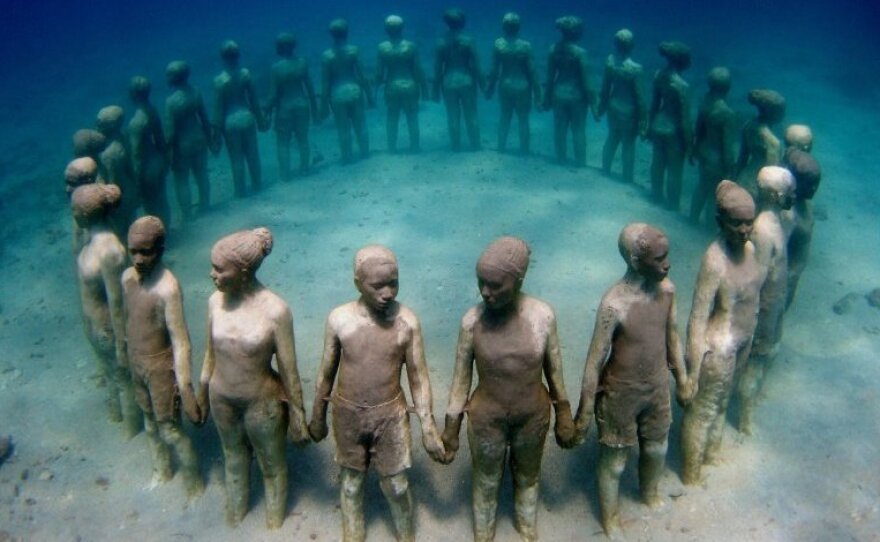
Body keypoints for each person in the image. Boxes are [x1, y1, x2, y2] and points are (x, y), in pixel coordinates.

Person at [441, 237, 576, 542]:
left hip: (533, 415)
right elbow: (460, 381)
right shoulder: (471, 322)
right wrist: (451, 429)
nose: (486, 292)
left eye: (495, 285)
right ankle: (484, 535)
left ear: (518, 280)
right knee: (486, 481)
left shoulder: (542, 317)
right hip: (486, 418)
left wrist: (564, 414)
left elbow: (555, 372)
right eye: (481, 283)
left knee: (528, 478)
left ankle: (527, 532)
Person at [309, 245, 444, 542]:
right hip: (347, 413)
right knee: (350, 485)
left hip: (390, 416)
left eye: (393, 283)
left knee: (396, 485)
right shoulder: (339, 319)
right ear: (358, 283)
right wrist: (317, 415)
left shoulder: (407, 322)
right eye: (377, 286)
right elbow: (326, 373)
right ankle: (352, 536)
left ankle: (406, 536)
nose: (387, 293)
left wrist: (428, 426)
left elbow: (418, 378)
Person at [573, 223, 688, 538]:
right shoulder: (614, 303)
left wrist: (683, 377)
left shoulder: (667, 291)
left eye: (667, 256)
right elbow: (595, 358)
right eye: (659, 259)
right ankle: (610, 520)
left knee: (657, 447)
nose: (667, 264)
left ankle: (649, 494)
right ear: (636, 262)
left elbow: (673, 338)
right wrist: (584, 410)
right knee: (615, 460)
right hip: (619, 394)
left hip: (656, 386)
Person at [198, 228, 309, 528]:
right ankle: (235, 518)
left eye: (220, 270)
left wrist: (298, 416)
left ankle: (274, 526)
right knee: (232, 459)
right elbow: (210, 354)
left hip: (263, 402)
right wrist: (200, 393)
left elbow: (289, 369)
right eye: (213, 267)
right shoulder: (214, 303)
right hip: (222, 398)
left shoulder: (276, 311)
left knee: (272, 466)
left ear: (243, 271)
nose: (212, 274)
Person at [680, 181, 766, 485]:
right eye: (736, 223)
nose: (744, 230)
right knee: (703, 411)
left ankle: (712, 457)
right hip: (718, 347)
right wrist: (692, 370)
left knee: (722, 404)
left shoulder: (752, 248)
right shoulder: (714, 260)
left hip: (742, 341)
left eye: (749, 222)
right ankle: (691, 475)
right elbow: (697, 316)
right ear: (720, 222)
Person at [121, 216, 202, 496]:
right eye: (133, 251)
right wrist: (123, 355)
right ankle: (161, 471)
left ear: (161, 249)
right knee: (149, 424)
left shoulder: (168, 287)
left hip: (160, 366)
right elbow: (126, 320)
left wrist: (186, 387)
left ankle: (194, 484)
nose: (139, 258)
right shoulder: (127, 278)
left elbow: (181, 341)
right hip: (137, 361)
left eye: (146, 251)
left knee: (169, 428)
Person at [71, 184, 142, 438]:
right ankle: (117, 416)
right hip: (95, 326)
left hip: (107, 328)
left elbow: (116, 299)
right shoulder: (91, 241)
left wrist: (123, 343)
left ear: (86, 212)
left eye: (75, 208)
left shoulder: (109, 249)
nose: (73, 213)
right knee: (112, 376)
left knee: (123, 379)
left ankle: (131, 430)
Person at [737, 166, 795, 435]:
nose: (793, 195)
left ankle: (751, 403)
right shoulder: (762, 230)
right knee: (757, 358)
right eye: (789, 191)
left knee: (768, 352)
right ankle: (745, 418)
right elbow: (756, 278)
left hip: (776, 303)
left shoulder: (777, 221)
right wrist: (754, 316)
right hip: (766, 307)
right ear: (775, 194)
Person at [213, 40, 267, 197]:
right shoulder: (245, 74)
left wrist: (216, 135)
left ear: (223, 57)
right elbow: (254, 101)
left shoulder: (219, 81)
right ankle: (257, 185)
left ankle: (240, 191)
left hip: (230, 122)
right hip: (247, 118)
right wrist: (260, 119)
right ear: (238, 55)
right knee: (252, 154)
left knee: (236, 158)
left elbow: (218, 110)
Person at [485, 12, 541, 154]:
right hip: (523, 86)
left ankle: (501, 148)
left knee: (504, 117)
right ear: (519, 27)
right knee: (523, 119)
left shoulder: (498, 44)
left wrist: (490, 89)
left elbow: (494, 70)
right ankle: (524, 150)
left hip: (505, 85)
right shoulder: (526, 46)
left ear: (504, 26)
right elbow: (533, 72)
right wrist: (538, 95)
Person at [165, 60, 214, 220]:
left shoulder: (171, 102)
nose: (166, 77)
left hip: (182, 145)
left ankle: (187, 214)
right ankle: (205, 206)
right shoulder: (196, 92)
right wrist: (210, 139)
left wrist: (167, 151)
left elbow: (171, 132)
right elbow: (204, 119)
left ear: (175, 77)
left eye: (169, 74)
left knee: (182, 180)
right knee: (201, 174)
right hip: (199, 139)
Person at [265, 32, 318, 181]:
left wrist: (266, 112)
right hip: (302, 105)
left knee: (283, 142)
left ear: (280, 47)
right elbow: (310, 88)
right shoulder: (302, 63)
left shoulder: (276, 68)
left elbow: (273, 95)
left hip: (284, 109)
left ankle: (285, 174)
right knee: (303, 139)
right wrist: (315, 109)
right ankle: (305, 169)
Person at [647, 41, 693, 211]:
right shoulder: (682, 86)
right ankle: (672, 204)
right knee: (675, 170)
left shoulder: (658, 75)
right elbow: (685, 119)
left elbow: (654, 104)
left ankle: (655, 196)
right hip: (674, 131)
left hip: (658, 124)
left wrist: (649, 126)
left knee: (657, 163)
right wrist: (689, 144)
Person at [320, 19, 374, 164]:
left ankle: (347, 157)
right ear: (347, 32)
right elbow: (363, 76)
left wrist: (323, 105)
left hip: (337, 94)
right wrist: (370, 96)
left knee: (342, 127)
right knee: (360, 124)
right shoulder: (354, 50)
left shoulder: (326, 56)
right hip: (355, 91)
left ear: (331, 35)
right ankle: (365, 153)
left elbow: (325, 83)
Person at [544, 16, 594, 167]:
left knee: (560, 129)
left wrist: (546, 98)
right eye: (579, 29)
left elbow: (550, 78)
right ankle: (580, 162)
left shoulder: (553, 49)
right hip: (577, 96)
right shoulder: (581, 53)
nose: (581, 32)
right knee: (578, 130)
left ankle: (560, 159)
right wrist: (595, 104)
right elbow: (588, 83)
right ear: (574, 32)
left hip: (559, 93)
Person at [597, 29, 646, 182]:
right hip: (629, 111)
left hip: (613, 106)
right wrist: (644, 119)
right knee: (628, 144)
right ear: (632, 46)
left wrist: (601, 108)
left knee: (612, 138)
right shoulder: (636, 69)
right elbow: (640, 97)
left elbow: (605, 89)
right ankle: (627, 178)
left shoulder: (610, 62)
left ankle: (605, 170)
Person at [689, 67, 737, 223]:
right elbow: (727, 145)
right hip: (717, 160)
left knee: (701, 187)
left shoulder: (704, 102)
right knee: (714, 195)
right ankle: (708, 225)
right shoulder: (727, 114)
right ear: (728, 87)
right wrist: (731, 167)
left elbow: (698, 129)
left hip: (704, 152)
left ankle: (692, 218)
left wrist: (694, 148)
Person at [433, 8, 485, 151]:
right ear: (462, 22)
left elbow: (438, 69)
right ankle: (475, 145)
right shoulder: (469, 41)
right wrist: (483, 85)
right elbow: (476, 66)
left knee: (452, 115)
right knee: (471, 114)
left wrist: (435, 90)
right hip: (466, 80)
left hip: (448, 81)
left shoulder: (440, 42)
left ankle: (455, 146)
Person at [375, 15, 428, 153]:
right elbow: (418, 70)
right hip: (410, 85)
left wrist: (374, 89)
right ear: (402, 28)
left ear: (386, 29)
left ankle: (392, 148)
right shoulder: (411, 46)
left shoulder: (382, 48)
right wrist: (424, 88)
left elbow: (379, 74)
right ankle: (415, 147)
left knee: (392, 117)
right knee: (412, 117)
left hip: (392, 86)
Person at [783, 147, 821, 310]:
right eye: (810, 184)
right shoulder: (787, 213)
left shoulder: (805, 208)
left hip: (794, 268)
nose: (813, 189)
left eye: (817, 184)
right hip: (784, 269)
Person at [128, 76, 170, 224]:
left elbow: (136, 155)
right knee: (162, 199)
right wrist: (166, 160)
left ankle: (159, 236)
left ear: (133, 94)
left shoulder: (135, 123)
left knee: (150, 205)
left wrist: (137, 182)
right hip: (157, 160)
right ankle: (167, 229)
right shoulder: (153, 111)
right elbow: (161, 140)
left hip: (147, 168)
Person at [734, 89, 786, 197]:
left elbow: (742, 158)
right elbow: (772, 171)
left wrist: (734, 180)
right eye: (782, 110)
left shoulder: (748, 126)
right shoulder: (773, 142)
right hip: (760, 186)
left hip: (744, 179)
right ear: (774, 113)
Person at [96, 105, 139, 235]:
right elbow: (131, 167)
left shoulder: (108, 153)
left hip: (120, 198)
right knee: (132, 226)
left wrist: (109, 205)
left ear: (109, 125)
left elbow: (112, 181)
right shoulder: (123, 138)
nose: (97, 125)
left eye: (99, 122)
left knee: (120, 232)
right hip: (129, 190)